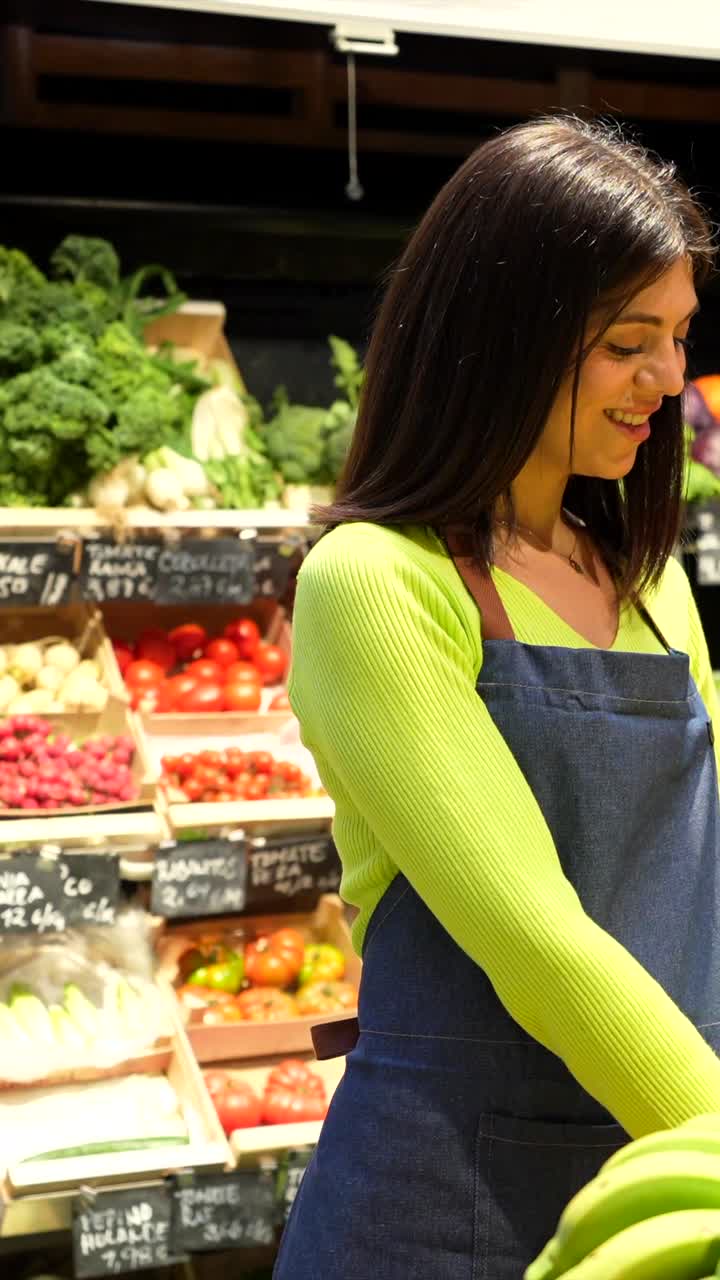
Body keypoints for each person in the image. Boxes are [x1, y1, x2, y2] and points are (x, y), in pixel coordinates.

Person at [272, 115, 720, 1279]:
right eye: (632, 342)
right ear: (506, 337)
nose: (669, 380)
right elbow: (536, 933)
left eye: (679, 337)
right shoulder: (377, 582)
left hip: (665, 1158)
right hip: (442, 1197)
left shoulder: (650, 576)